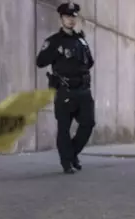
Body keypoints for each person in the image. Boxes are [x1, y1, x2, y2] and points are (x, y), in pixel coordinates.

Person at [36, 2, 95, 174]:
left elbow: (90, 62)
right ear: (61, 18)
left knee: (88, 124)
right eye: (67, 17)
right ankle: (67, 162)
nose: (71, 20)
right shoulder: (54, 41)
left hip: (83, 90)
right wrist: (57, 53)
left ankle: (71, 154)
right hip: (65, 90)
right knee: (64, 128)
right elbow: (40, 62)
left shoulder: (81, 40)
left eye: (73, 17)